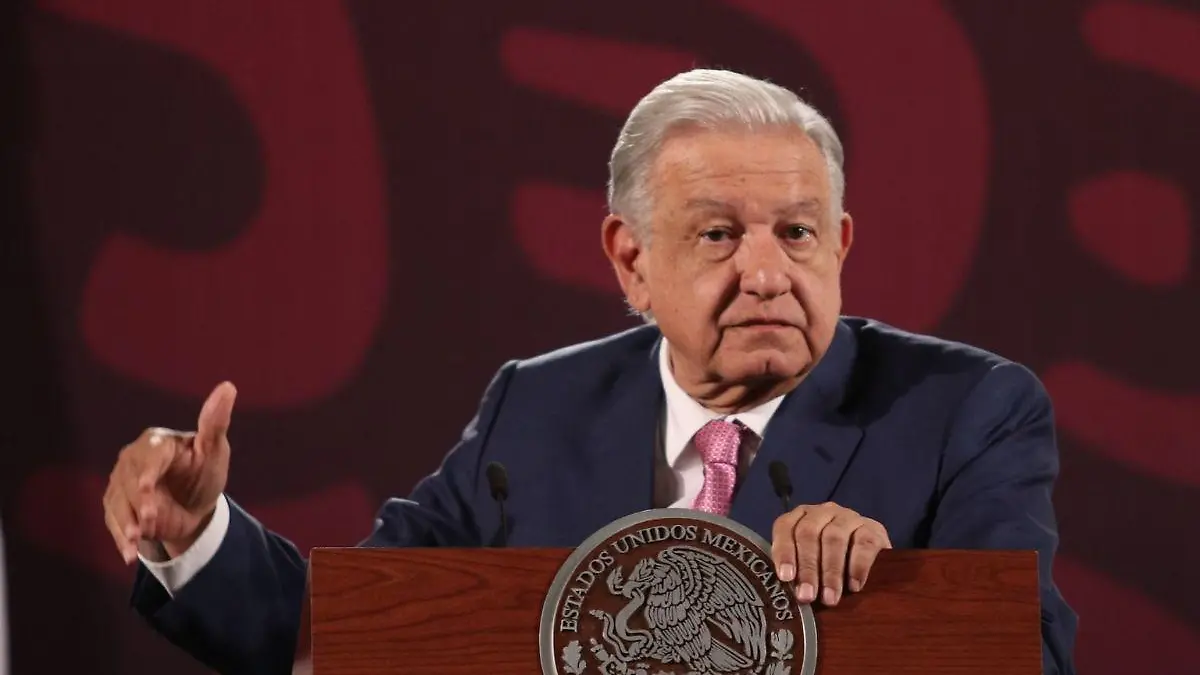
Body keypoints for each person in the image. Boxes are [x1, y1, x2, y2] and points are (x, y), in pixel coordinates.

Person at [103, 68, 1077, 674]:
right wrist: (196, 539)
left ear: (842, 244)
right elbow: (351, 633)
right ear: (630, 260)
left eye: (797, 232)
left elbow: (1027, 653)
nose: (767, 272)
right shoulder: (538, 408)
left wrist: (893, 591)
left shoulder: (965, 410)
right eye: (719, 234)